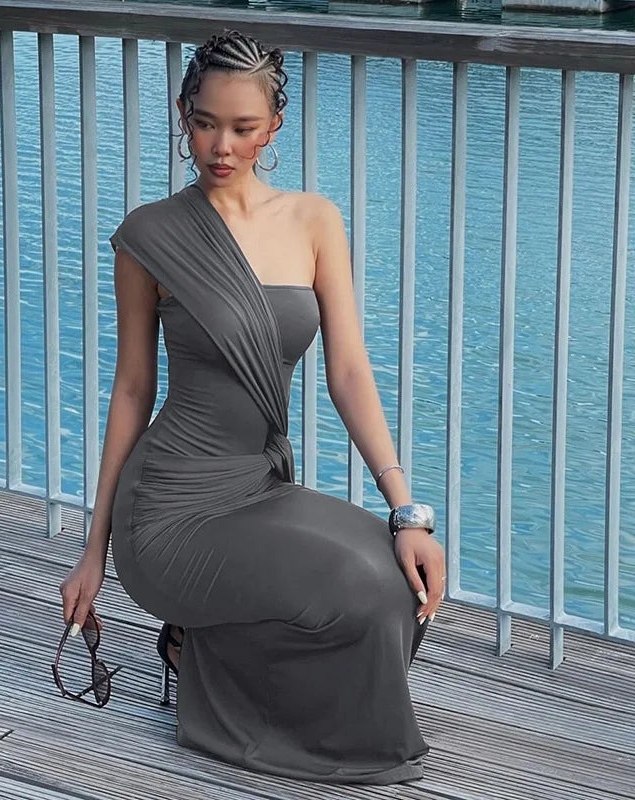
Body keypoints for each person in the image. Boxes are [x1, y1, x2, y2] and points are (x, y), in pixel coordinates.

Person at [59, 28, 446, 786]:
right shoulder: (149, 237)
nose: (221, 146)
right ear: (183, 115)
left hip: (254, 486)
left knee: (398, 582)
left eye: (242, 127)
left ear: (274, 127)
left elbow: (349, 373)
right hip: (168, 507)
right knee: (353, 590)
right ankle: (232, 688)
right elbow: (133, 390)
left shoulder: (313, 222)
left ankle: (196, 652)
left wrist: (407, 511)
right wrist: (93, 548)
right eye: (205, 122)